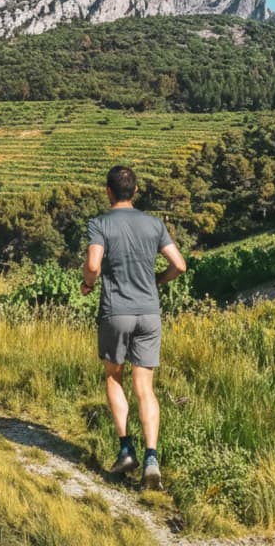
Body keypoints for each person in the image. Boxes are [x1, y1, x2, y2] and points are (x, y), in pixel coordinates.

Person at [80, 165, 186, 490]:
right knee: (146, 387)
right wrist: (157, 280)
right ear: (136, 191)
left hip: (117, 311)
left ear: (108, 191)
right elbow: (179, 264)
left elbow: (94, 264)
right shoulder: (154, 224)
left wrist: (87, 284)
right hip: (149, 312)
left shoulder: (100, 223)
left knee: (114, 377)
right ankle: (152, 458)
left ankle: (127, 449)